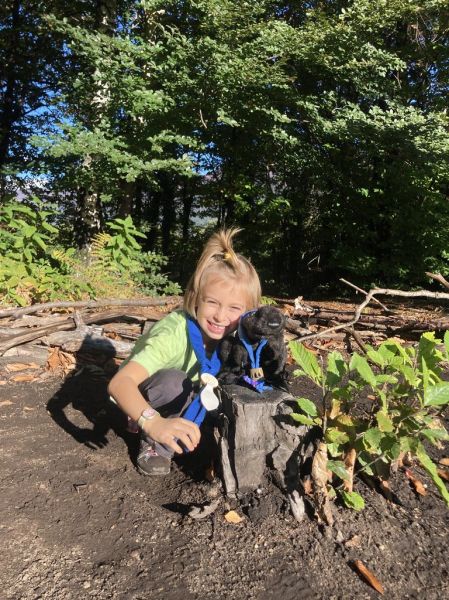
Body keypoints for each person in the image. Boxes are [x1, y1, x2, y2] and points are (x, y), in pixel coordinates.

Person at [108, 228, 261, 475]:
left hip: (195, 390)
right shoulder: (173, 333)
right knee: (173, 382)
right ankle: (155, 442)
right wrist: (153, 422)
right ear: (196, 298)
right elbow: (120, 383)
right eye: (212, 302)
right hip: (145, 396)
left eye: (234, 308)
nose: (221, 316)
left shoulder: (235, 336)